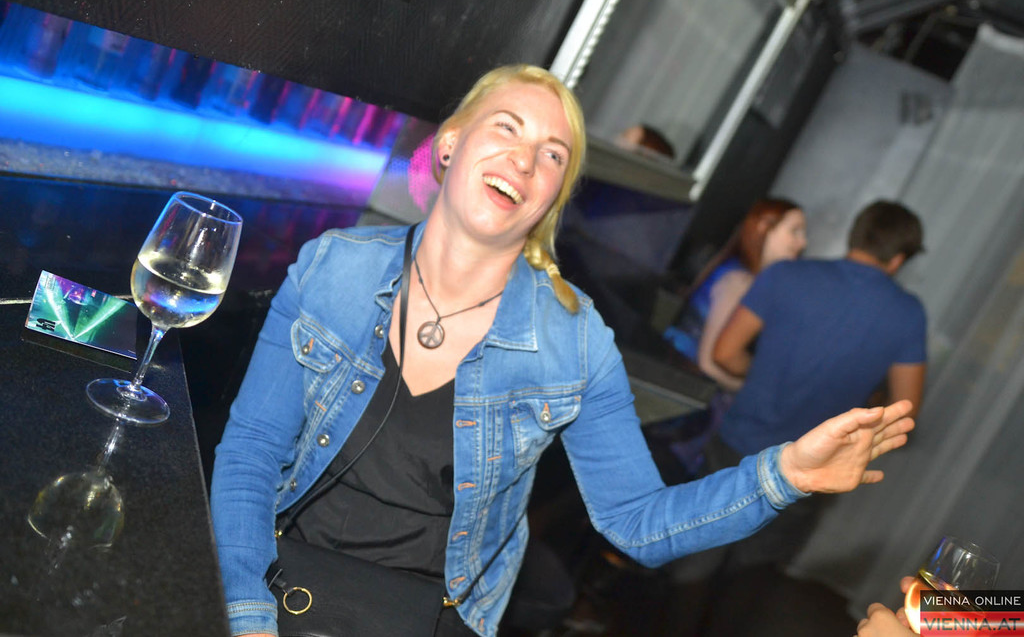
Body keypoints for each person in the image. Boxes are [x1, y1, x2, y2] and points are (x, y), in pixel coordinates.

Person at [209, 64, 916, 637]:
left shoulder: (573, 343)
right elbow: (250, 452)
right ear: (450, 144)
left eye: (552, 155)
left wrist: (786, 473)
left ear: (551, 197)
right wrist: (247, 613)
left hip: (424, 616)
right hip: (278, 584)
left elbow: (638, 523)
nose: (523, 159)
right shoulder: (334, 265)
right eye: (506, 127)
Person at [712, 199, 928, 461]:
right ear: (897, 260)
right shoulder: (908, 315)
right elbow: (904, 412)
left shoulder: (783, 274)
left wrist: (766, 376)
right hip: (812, 466)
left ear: (854, 237)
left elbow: (725, 354)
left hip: (738, 444)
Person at [663, 198, 807, 392]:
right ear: (764, 227)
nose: (803, 242)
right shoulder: (739, 281)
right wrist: (751, 392)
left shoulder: (741, 274)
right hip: (680, 381)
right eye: (795, 231)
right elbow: (707, 364)